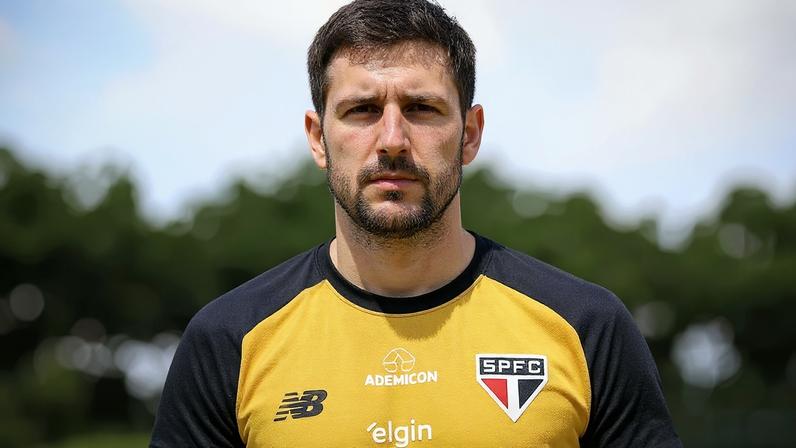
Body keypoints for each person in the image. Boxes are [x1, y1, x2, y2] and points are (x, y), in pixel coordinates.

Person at [151, 0, 682, 446]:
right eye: (361, 109)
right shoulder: (229, 338)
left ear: (470, 133)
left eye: (422, 108)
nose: (392, 140)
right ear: (318, 137)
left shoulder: (585, 326)